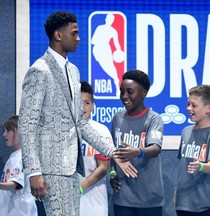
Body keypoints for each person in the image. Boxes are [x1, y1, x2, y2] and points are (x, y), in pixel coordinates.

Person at [18, 11, 136, 216]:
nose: (79, 38)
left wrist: (113, 153)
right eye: (74, 33)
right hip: (51, 169)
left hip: (73, 168)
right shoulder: (40, 70)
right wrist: (34, 171)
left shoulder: (73, 71)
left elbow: (79, 123)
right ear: (58, 35)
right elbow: (27, 124)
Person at [110, 69, 165, 216]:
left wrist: (138, 151)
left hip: (149, 201)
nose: (124, 96)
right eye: (122, 92)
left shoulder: (154, 119)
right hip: (122, 199)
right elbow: (112, 152)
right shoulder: (117, 118)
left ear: (144, 93)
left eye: (130, 92)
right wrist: (112, 173)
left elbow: (155, 148)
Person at [174, 84, 210, 216]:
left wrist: (200, 166)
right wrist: (176, 192)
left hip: (206, 207)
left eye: (194, 105)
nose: (189, 108)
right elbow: (182, 167)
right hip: (184, 204)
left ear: (209, 108)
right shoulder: (185, 131)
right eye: (188, 104)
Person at [79, 81, 111, 216]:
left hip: (94, 203)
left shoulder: (101, 130)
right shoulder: (61, 131)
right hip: (66, 201)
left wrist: (80, 189)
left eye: (87, 103)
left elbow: (103, 168)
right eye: (79, 102)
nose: (83, 107)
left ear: (93, 106)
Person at [0, 115, 38, 216]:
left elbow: (14, 184)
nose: (4, 134)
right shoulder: (15, 156)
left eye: (8, 131)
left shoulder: (22, 157)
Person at [91, 13, 124, 96]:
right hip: (98, 50)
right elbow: (92, 41)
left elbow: (117, 44)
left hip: (106, 50)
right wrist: (101, 40)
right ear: (106, 19)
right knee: (105, 68)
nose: (110, 21)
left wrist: (119, 51)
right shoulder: (100, 28)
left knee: (112, 70)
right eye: (108, 19)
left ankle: (117, 88)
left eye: (111, 20)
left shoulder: (113, 31)